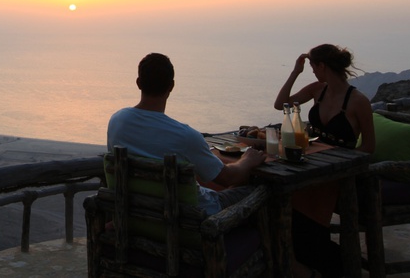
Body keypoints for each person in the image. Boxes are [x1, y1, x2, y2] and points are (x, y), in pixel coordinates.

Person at [107, 52, 266, 216]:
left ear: (138, 83)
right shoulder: (185, 136)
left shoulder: (117, 121)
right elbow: (228, 178)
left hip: (139, 215)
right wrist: (247, 160)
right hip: (192, 218)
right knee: (260, 190)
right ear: (171, 86)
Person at [273, 43, 376, 278]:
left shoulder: (358, 101)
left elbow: (369, 147)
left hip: (340, 172)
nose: (311, 71)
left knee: (298, 199)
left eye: (311, 67)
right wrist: (294, 73)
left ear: (322, 66)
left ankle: (321, 261)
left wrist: (337, 159)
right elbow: (281, 105)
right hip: (312, 164)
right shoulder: (317, 90)